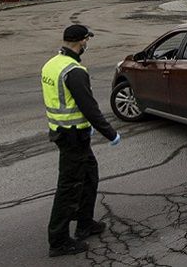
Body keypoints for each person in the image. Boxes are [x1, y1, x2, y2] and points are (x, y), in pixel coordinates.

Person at [42, 24, 121, 257]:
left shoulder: (51, 64)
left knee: (89, 176)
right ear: (80, 42)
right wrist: (110, 133)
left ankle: (85, 223)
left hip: (66, 132)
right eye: (87, 40)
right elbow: (90, 107)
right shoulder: (74, 71)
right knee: (69, 187)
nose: (87, 44)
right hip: (73, 136)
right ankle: (58, 241)